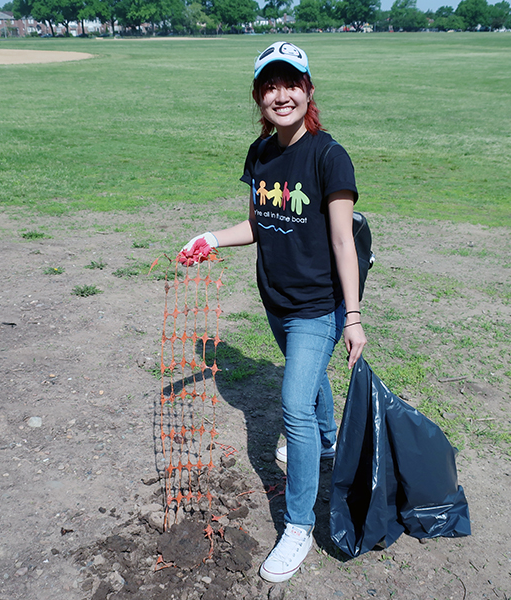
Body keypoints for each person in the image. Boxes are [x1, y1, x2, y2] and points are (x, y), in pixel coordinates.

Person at [181, 41, 367, 583]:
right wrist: (210, 237)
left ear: (308, 91)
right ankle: (328, 438)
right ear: (258, 96)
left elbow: (341, 242)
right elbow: (260, 224)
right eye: (268, 85)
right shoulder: (261, 154)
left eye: (290, 83)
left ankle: (300, 525)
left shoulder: (329, 156)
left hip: (318, 305)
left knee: (293, 406)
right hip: (276, 301)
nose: (279, 94)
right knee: (307, 387)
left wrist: (352, 316)